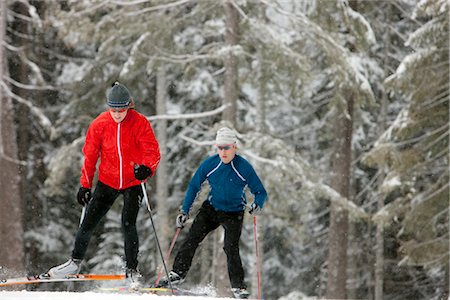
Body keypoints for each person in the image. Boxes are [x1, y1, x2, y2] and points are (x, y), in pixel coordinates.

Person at [47, 82, 160, 287]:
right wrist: (85, 185)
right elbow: (90, 157)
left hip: (133, 182)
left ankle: (132, 270)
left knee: (128, 222)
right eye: (113, 109)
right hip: (107, 180)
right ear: (108, 107)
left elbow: (152, 151)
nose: (117, 114)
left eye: (122, 110)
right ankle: (74, 262)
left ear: (129, 106)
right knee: (89, 221)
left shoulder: (139, 122)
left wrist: (147, 168)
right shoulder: (99, 124)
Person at [159, 127, 267, 299]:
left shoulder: (243, 167)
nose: (223, 152)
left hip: (234, 212)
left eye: (227, 147)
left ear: (234, 147)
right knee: (192, 238)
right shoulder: (210, 164)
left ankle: (238, 287)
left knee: (231, 248)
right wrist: (184, 211)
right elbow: (194, 186)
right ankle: (177, 273)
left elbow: (260, 192)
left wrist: (257, 204)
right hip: (211, 208)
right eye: (220, 147)